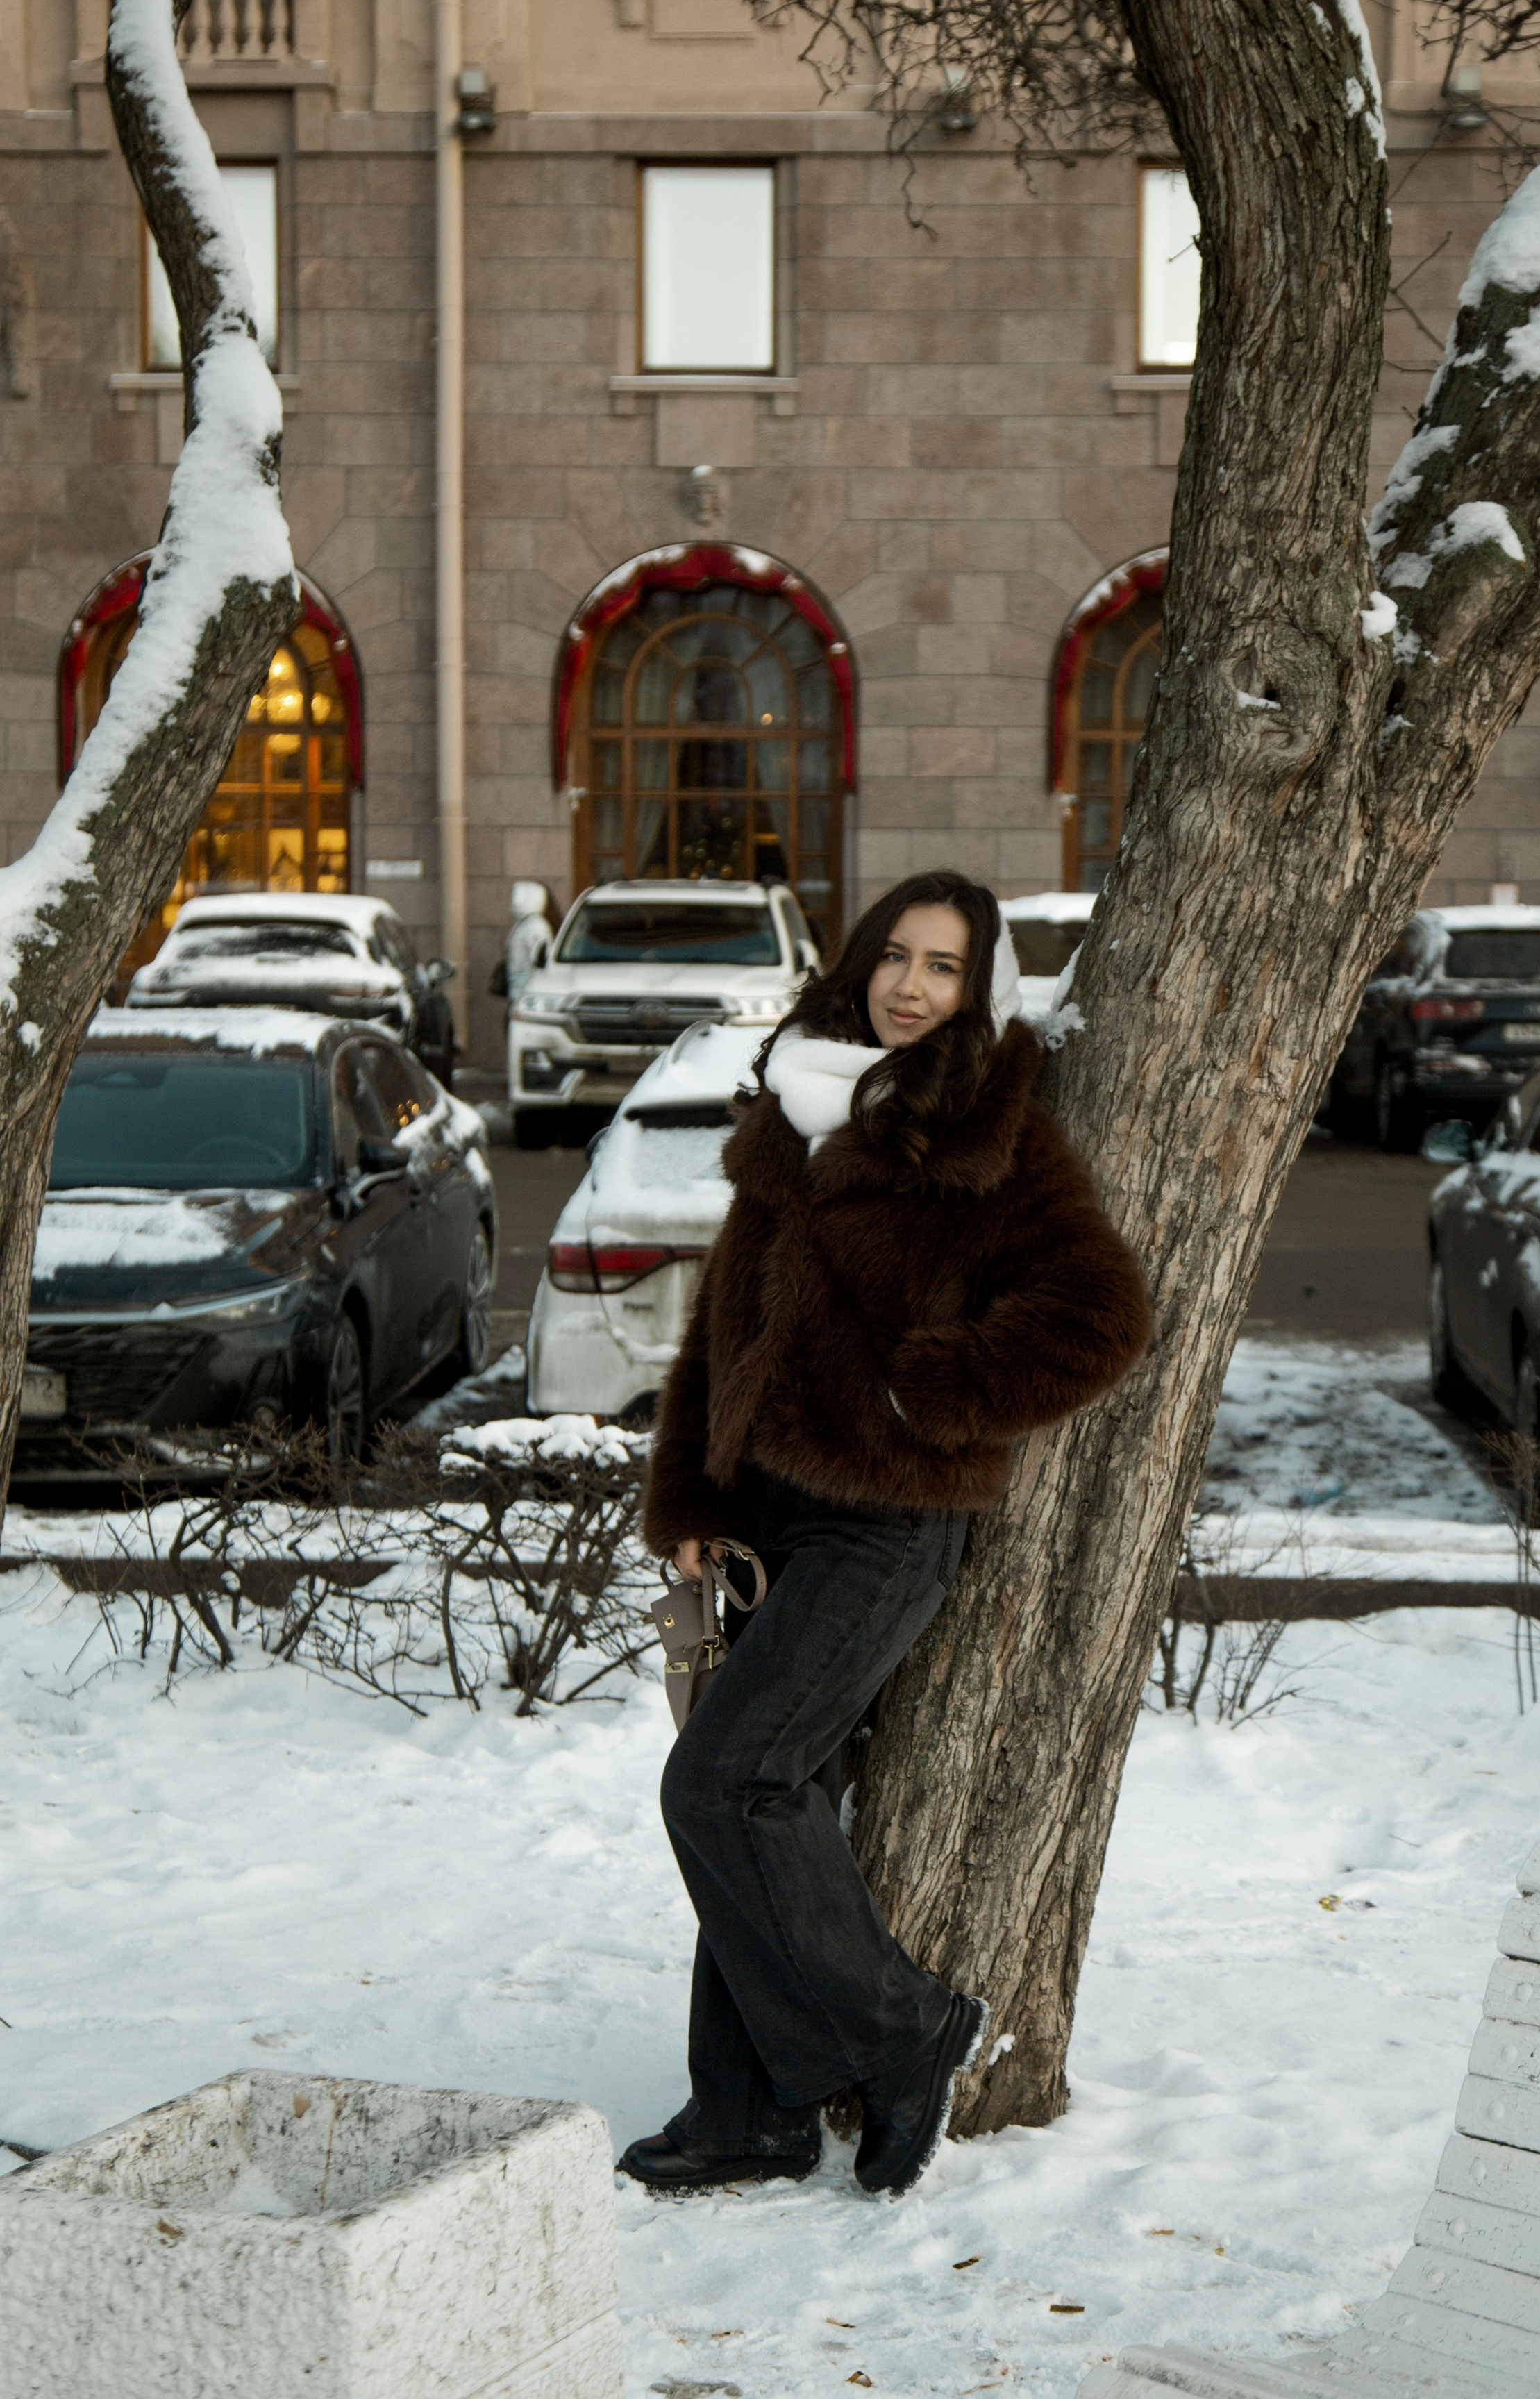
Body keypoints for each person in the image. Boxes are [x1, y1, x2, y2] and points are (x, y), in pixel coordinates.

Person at [622, 869, 1151, 2202]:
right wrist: (689, 1494)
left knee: (727, 1784)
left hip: (887, 1519)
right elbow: (723, 1324)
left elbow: (1102, 1314)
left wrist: (938, 1390)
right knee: (759, 1799)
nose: (911, 986)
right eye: (896, 957)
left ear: (981, 991)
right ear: (859, 962)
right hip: (767, 1513)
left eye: (946, 967)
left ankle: (907, 2030)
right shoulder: (798, 1100)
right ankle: (745, 2112)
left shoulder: (988, 1127)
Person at [494, 880, 555, 1005]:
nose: (515, 901)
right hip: (518, 993)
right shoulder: (523, 924)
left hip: (528, 995)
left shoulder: (536, 926)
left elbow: (542, 960)